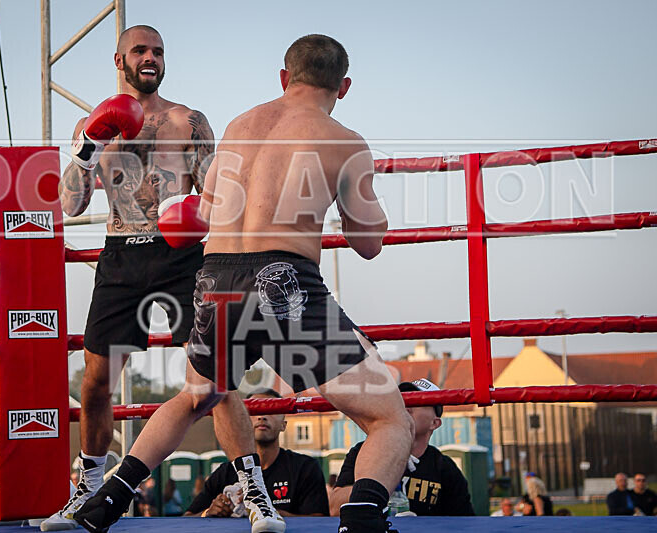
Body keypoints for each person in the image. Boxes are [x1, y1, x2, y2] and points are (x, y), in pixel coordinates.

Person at [75, 33, 414, 533]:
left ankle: (107, 499)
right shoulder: (343, 139)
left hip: (216, 278)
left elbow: (204, 216)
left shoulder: (239, 125)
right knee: (390, 418)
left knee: (198, 396)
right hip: (283, 279)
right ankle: (362, 519)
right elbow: (368, 243)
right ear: (342, 87)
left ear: (284, 77)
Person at [42, 24, 252, 531]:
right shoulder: (89, 123)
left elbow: (223, 201)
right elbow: (69, 204)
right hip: (120, 254)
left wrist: (193, 210)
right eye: (140, 50)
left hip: (183, 256)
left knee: (214, 379)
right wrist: (89, 145)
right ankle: (89, 487)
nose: (151, 58)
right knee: (94, 382)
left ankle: (251, 490)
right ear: (120, 59)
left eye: (158, 50)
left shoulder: (189, 121)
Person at [331, 379, 474, 516]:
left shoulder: (445, 469)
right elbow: (335, 508)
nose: (407, 404)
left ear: (435, 423)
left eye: (420, 400)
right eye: (401, 398)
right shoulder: (363, 451)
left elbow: (464, 523)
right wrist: (379, 479)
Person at [185, 389, 329, 517]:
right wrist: (209, 512)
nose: (262, 416)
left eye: (272, 410)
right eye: (255, 410)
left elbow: (319, 521)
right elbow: (186, 519)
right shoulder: (225, 472)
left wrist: (268, 511)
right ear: (242, 421)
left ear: (283, 425)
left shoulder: (305, 468)